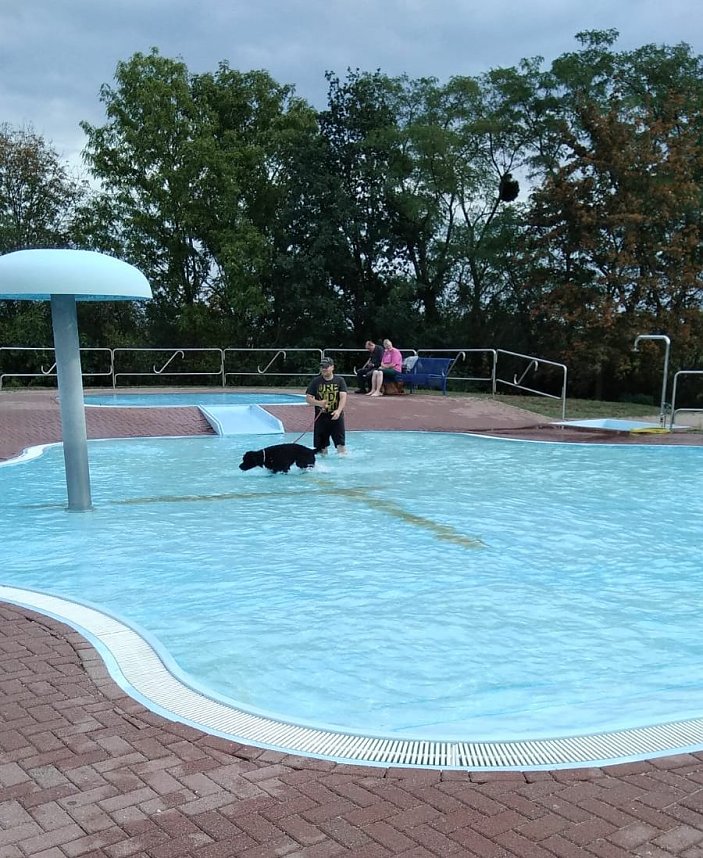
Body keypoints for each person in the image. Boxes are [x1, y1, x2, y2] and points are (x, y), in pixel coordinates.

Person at [305, 357, 348, 454]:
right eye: (322, 367)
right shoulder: (316, 381)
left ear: (332, 367)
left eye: (326, 367)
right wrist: (319, 403)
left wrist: (338, 410)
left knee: (340, 444)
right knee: (321, 446)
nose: (324, 369)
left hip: (336, 416)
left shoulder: (340, 380)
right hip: (321, 417)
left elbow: (343, 397)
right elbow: (308, 399)